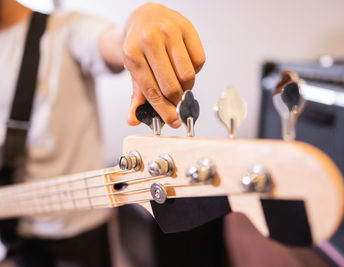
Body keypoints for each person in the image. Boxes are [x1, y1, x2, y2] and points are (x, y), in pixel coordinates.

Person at [0, 0, 205, 266]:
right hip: (11, 231)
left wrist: (141, 20)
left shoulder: (65, 29)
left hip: (77, 232)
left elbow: (113, 41)